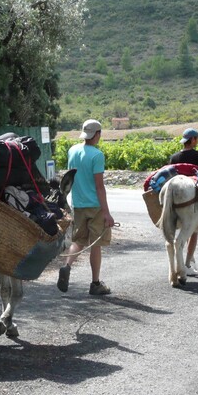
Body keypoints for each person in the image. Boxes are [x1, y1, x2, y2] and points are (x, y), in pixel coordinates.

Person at [57, 119, 115, 295]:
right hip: (95, 206)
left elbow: (70, 178)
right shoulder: (97, 155)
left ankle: (66, 266)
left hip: (79, 204)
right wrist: (107, 213)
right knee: (95, 244)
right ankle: (95, 283)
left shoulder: (72, 151)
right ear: (97, 134)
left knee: (79, 241)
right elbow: (99, 187)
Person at [168, 128, 198, 277]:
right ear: (192, 140)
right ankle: (187, 263)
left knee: (179, 231)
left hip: (174, 198)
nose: (197, 141)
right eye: (197, 138)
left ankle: (177, 265)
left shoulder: (174, 158)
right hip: (195, 199)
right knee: (193, 230)